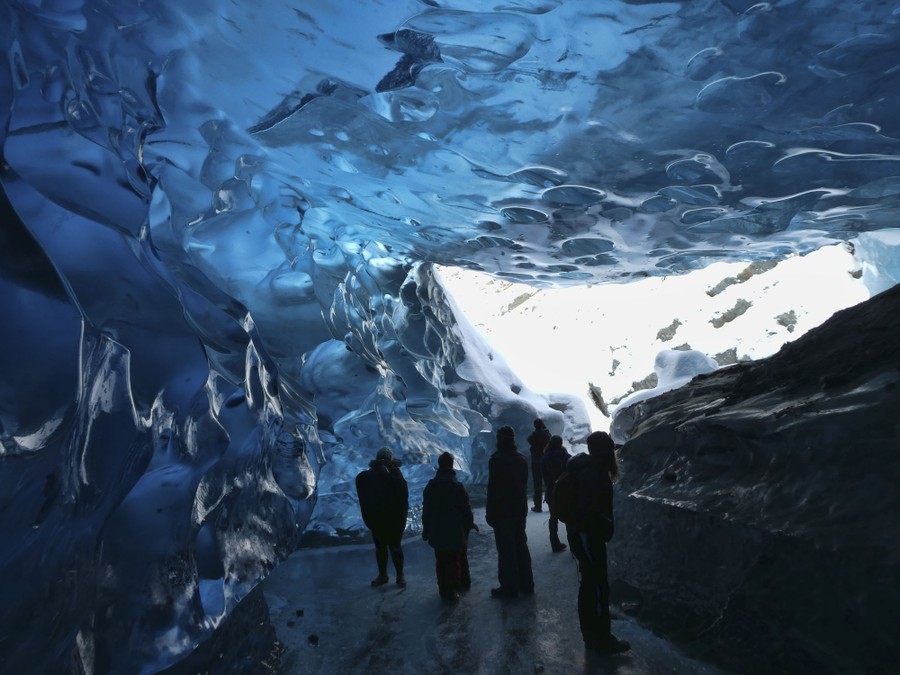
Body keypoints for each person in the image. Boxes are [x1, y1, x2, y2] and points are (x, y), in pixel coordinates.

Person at [566, 431, 630, 654]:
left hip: (583, 534)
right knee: (597, 587)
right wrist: (604, 524)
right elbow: (589, 509)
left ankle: (591, 633)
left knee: (590, 585)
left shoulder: (590, 469)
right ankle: (601, 638)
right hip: (588, 536)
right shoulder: (594, 473)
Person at [422, 452, 478, 602]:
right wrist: (469, 524)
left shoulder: (431, 486)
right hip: (454, 530)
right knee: (453, 559)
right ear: (451, 465)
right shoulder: (457, 487)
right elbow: (465, 509)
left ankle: (443, 589)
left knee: (441, 559)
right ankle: (452, 589)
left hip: (437, 530)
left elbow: (426, 510)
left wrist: (426, 528)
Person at [485, 425, 534, 599]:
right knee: (521, 545)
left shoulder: (496, 460)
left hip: (502, 510)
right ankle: (527, 584)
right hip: (519, 509)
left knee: (506, 550)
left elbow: (493, 488)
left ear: (499, 440)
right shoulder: (520, 459)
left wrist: (490, 512)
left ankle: (509, 587)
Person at [355, 447, 409, 588]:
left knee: (392, 547)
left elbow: (402, 492)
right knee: (383, 548)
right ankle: (387, 575)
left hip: (392, 519)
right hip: (379, 519)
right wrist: (376, 472)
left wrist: (390, 472)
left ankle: (396, 575)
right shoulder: (370, 476)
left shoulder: (394, 474)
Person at [541, 435, 571, 553]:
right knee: (569, 517)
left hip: (551, 490)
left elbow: (543, 475)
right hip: (565, 490)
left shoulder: (545, 457)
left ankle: (554, 542)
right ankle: (573, 544)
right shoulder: (565, 456)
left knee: (553, 517)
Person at [526, 418, 551, 512]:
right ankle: (551, 504)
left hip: (535, 462)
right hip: (546, 461)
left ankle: (538, 506)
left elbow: (529, 439)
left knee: (537, 485)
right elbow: (549, 437)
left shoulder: (533, 436)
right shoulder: (546, 434)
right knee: (549, 482)